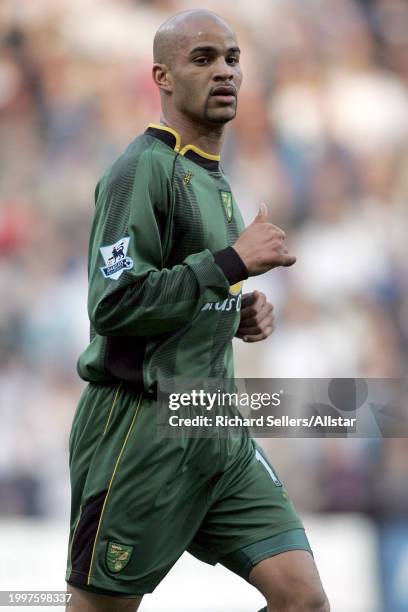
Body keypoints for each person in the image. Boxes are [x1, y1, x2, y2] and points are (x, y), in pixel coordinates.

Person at [65, 9, 330, 612]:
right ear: (161, 76)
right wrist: (232, 264)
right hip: (140, 429)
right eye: (203, 59)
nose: (224, 72)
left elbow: (184, 295)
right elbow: (116, 304)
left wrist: (235, 315)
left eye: (232, 58)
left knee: (304, 600)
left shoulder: (217, 182)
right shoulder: (140, 170)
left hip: (214, 422)